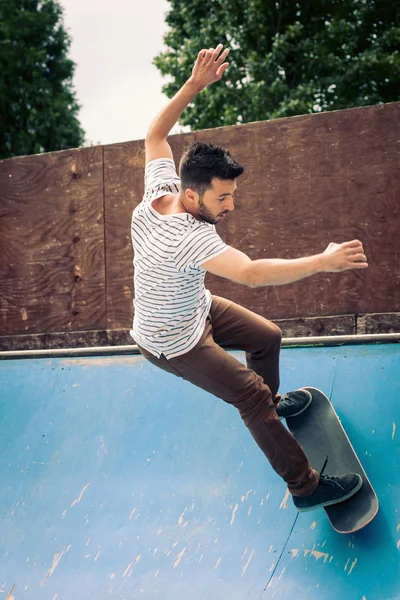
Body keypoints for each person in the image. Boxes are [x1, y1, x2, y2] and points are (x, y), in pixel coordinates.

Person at [130, 44, 368, 511]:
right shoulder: (186, 238)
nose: (231, 206)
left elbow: (155, 136)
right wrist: (322, 261)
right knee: (251, 397)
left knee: (267, 337)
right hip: (172, 343)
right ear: (194, 196)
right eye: (223, 199)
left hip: (194, 309)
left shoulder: (161, 188)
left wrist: (194, 86)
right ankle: (305, 486)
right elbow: (252, 274)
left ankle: (273, 408)